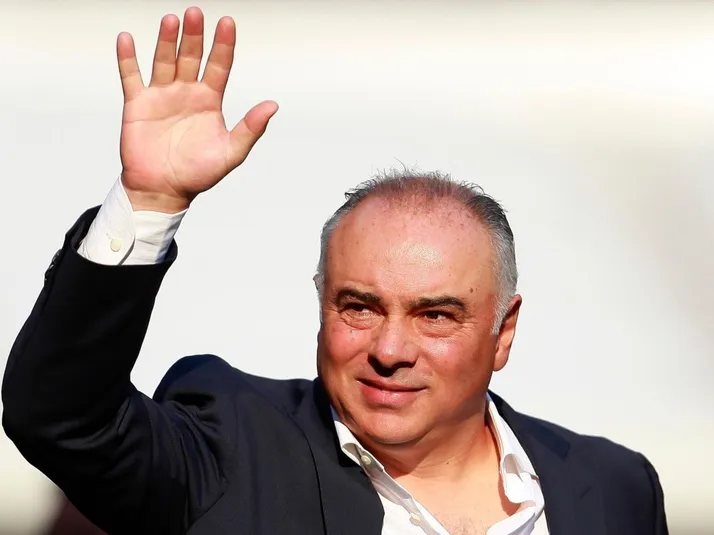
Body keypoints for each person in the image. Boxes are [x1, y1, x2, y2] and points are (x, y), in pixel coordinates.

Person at [2, 7, 668, 535]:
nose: (390, 349)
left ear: (504, 331)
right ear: (321, 303)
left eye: (435, 314)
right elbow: (60, 418)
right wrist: (149, 203)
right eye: (360, 306)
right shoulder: (234, 449)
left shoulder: (614, 488)